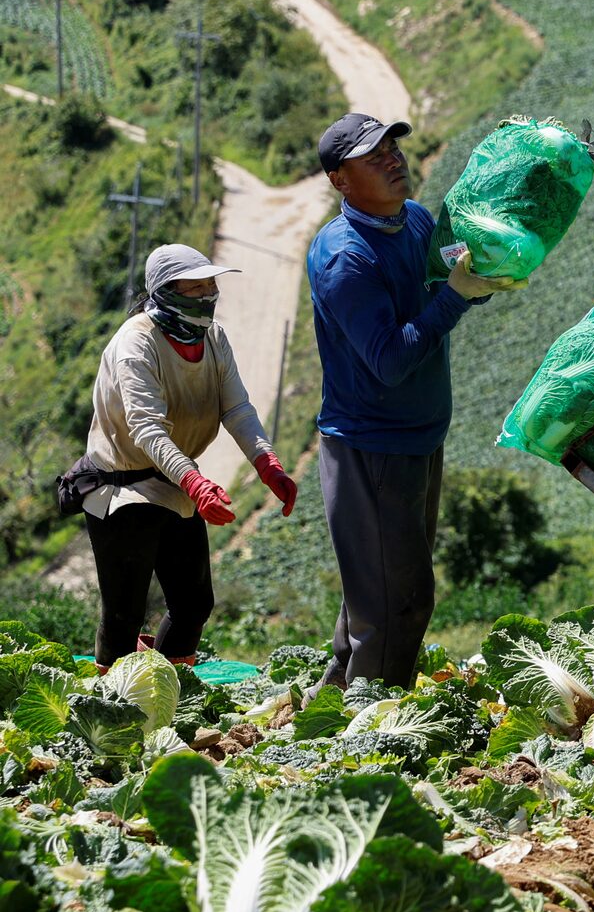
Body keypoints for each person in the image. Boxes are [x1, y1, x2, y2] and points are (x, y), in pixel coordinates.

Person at [308, 111, 519, 689]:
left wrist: (481, 282)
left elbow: (447, 291)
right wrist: (454, 298)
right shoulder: (346, 258)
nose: (393, 160)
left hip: (418, 438)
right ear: (340, 180)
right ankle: (372, 737)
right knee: (399, 601)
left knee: (377, 588)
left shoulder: (418, 223)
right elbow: (391, 361)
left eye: (393, 149)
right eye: (372, 157)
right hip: (371, 445)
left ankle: (335, 702)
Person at [77, 244, 298, 668]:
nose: (206, 297)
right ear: (165, 292)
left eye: (210, 286)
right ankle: (113, 705)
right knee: (124, 613)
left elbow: (236, 408)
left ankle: (171, 687)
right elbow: (146, 429)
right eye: (194, 288)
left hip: (175, 481)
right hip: (123, 488)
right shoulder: (135, 345)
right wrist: (196, 483)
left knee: (194, 603)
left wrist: (266, 462)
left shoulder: (213, 338)